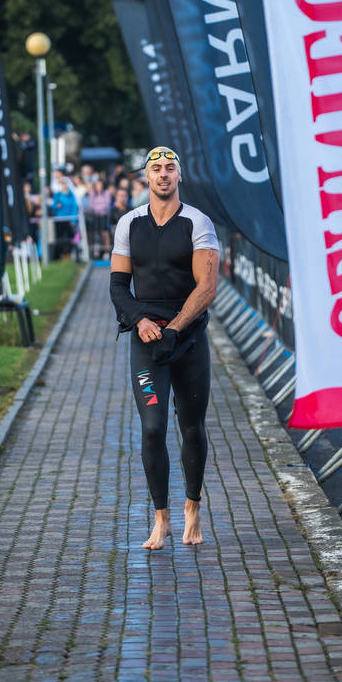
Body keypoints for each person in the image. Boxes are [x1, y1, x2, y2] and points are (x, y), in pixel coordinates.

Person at [110, 146, 219, 550]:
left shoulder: (197, 222)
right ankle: (161, 519)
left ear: (179, 176)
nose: (162, 175)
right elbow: (118, 286)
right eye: (155, 169)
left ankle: (192, 507)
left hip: (188, 339)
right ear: (146, 176)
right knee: (153, 429)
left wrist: (174, 328)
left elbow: (206, 287)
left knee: (192, 428)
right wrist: (140, 321)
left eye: (169, 169)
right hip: (146, 341)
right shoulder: (129, 223)